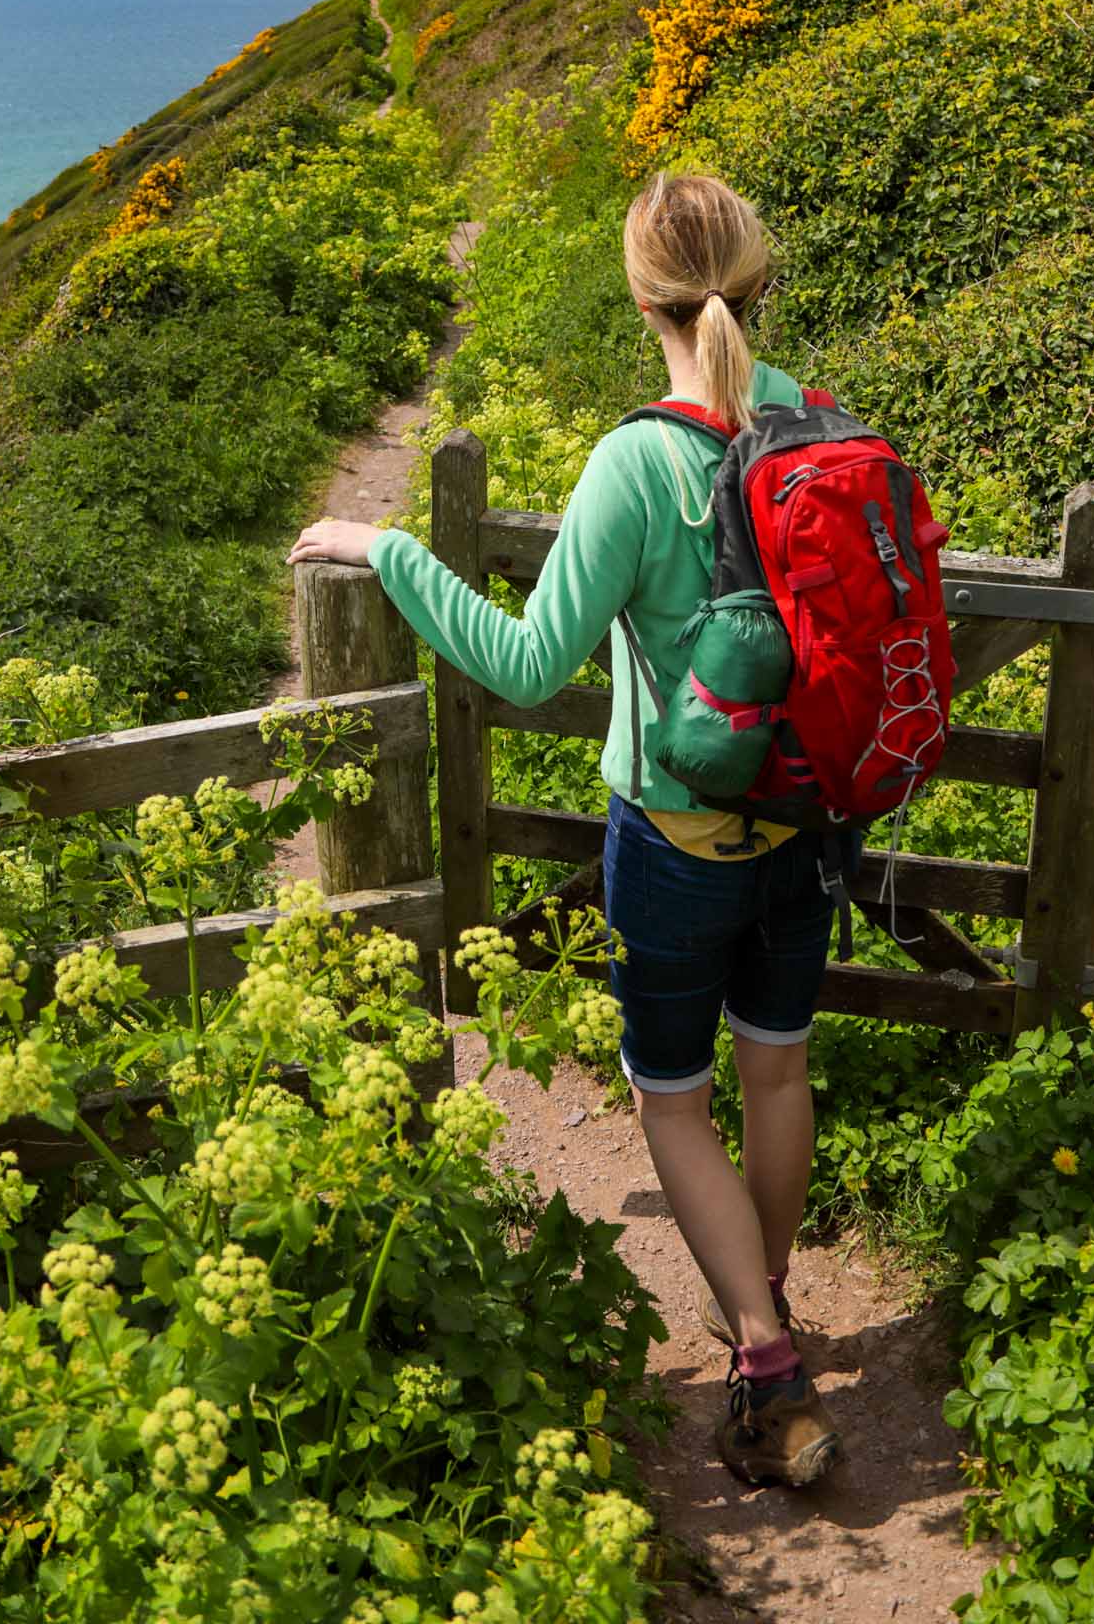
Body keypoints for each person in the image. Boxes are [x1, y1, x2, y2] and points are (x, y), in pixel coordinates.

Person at [288, 172, 843, 1489]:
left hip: (677, 837)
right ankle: (759, 1289)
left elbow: (531, 664)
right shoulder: (820, 429)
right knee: (777, 1072)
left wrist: (394, 555)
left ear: (640, 294)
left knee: (670, 1096)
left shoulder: (637, 463)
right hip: (812, 825)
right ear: (757, 286)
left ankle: (762, 1354)